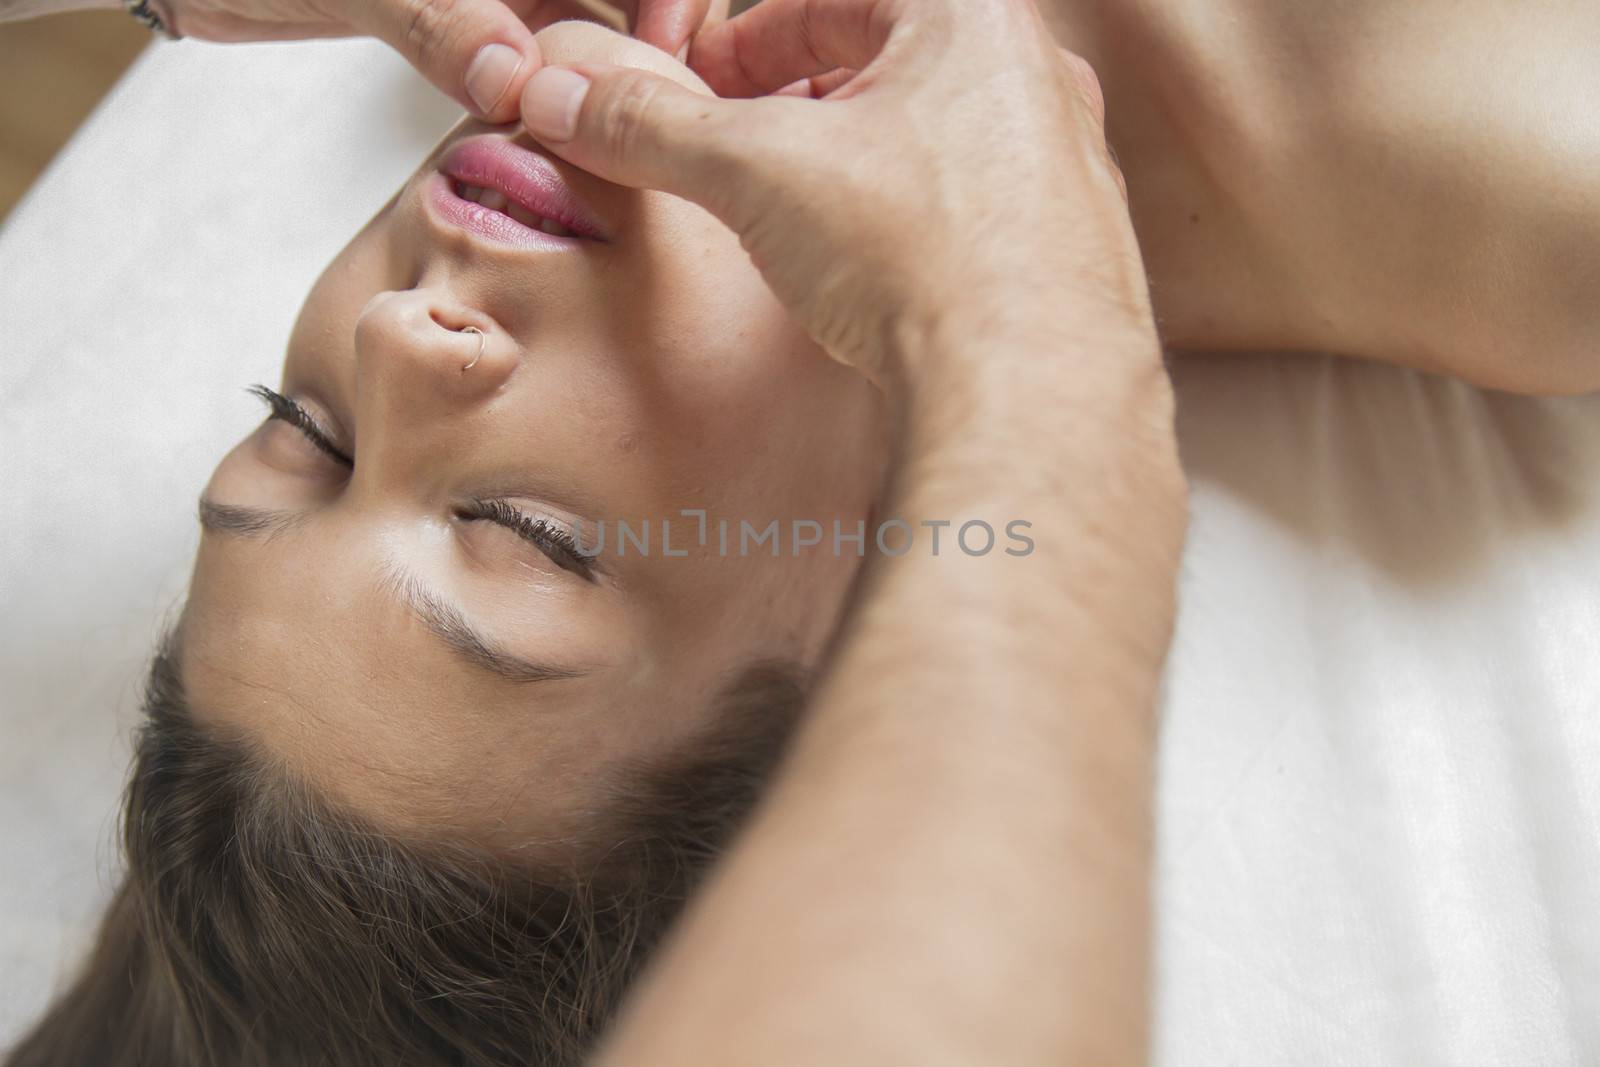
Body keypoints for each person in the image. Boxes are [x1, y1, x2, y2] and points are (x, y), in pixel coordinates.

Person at [2, 0, 1594, 1065]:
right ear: (868, 639)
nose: (407, 342)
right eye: (528, 537)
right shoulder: (1506, 176)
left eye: (308, 434)